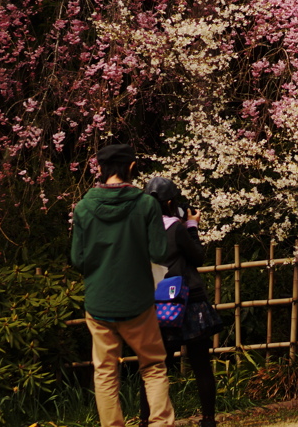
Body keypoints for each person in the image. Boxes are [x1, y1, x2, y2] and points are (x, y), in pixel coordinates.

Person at [70, 144, 175, 426]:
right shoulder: (146, 205)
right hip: (137, 302)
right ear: (131, 167)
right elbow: (159, 253)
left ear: (101, 170)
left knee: (104, 372)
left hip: (99, 302)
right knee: (153, 366)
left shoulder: (83, 207)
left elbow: (78, 259)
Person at [139, 177, 224, 427]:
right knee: (200, 365)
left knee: (155, 368)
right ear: (169, 202)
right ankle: (208, 420)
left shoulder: (141, 230)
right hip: (189, 301)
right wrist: (192, 225)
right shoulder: (176, 228)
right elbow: (197, 256)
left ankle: (146, 420)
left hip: (158, 303)